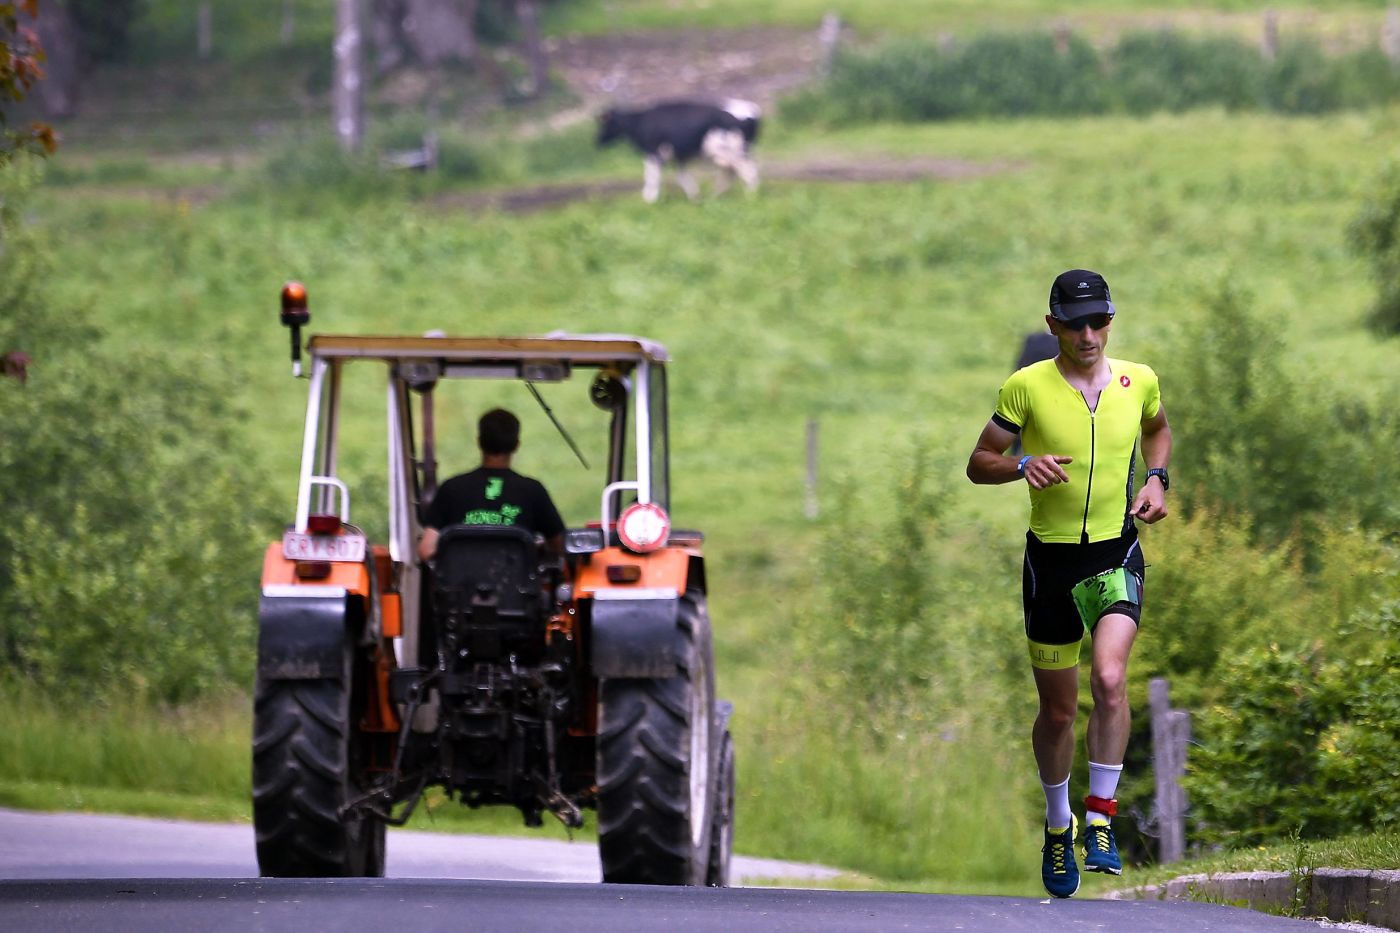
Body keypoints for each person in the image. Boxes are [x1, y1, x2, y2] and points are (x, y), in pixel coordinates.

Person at [965, 269, 1172, 899]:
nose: (1088, 334)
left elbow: (1157, 431)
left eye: (1099, 321)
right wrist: (1022, 463)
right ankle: (1059, 828)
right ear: (1053, 323)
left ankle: (1100, 816)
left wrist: (1158, 480)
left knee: (1110, 679)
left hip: (1116, 554)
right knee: (1057, 712)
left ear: (1111, 321)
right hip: (1050, 566)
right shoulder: (1025, 388)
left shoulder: (1140, 381)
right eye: (1075, 322)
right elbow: (979, 463)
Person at [418, 408, 566, 561]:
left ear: (479, 442)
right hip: (516, 584)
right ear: (516, 445)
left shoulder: (451, 488)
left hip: (461, 585)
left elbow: (426, 550)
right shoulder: (533, 491)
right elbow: (560, 546)